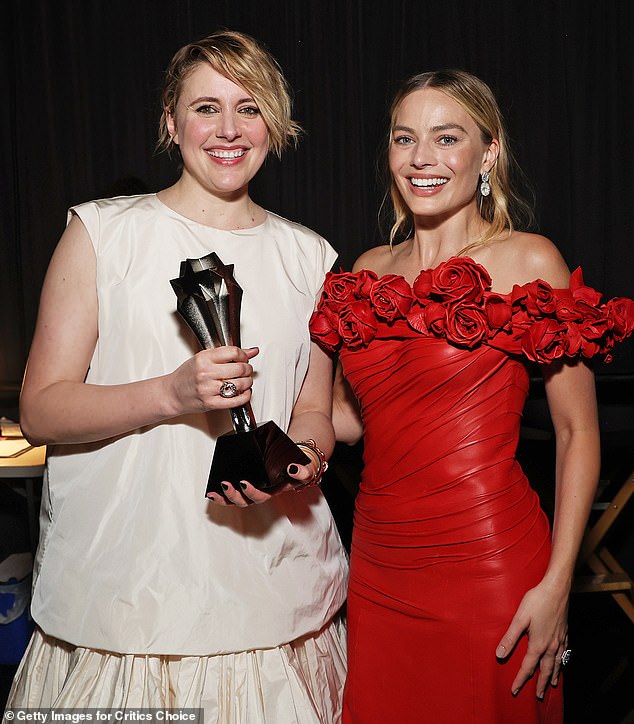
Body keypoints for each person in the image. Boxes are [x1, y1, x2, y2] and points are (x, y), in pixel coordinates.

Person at [6, 31, 348, 722]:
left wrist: (305, 459)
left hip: (272, 593)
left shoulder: (310, 257)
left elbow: (314, 409)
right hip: (126, 600)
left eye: (249, 108)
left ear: (274, 125)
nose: (228, 130)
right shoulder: (102, 234)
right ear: (170, 121)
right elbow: (41, 410)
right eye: (206, 108)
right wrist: (171, 393)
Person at [310, 69, 634, 723]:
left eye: (446, 137)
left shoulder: (530, 261)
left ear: (487, 153)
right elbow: (346, 420)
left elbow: (577, 435)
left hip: (491, 569)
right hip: (378, 571)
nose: (422, 158)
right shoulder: (365, 271)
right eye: (405, 139)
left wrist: (557, 587)